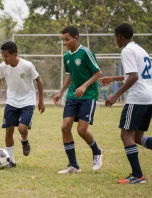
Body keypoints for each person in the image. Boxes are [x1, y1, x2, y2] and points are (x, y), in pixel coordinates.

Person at [100, 23, 152, 184]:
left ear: (120, 36)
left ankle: (137, 175)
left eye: (115, 37)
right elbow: (135, 74)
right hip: (149, 97)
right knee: (137, 136)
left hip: (137, 98)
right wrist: (113, 78)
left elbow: (134, 76)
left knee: (126, 134)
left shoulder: (127, 50)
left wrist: (115, 96)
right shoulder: (140, 50)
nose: (115, 40)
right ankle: (137, 175)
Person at [53, 26, 103, 174]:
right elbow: (70, 75)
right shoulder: (67, 56)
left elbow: (98, 72)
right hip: (72, 96)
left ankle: (97, 151)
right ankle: (73, 165)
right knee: (65, 127)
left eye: (67, 39)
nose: (65, 43)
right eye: (63, 40)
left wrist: (84, 86)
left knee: (82, 130)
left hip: (88, 95)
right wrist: (61, 92)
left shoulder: (86, 52)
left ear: (76, 37)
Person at [0, 41, 45, 167]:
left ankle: (24, 140)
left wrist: (41, 100)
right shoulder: (3, 66)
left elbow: (39, 80)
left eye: (6, 56)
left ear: (15, 55)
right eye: (2, 55)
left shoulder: (27, 65)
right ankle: (11, 161)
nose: (4, 58)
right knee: (9, 130)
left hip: (27, 100)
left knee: (22, 128)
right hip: (12, 100)